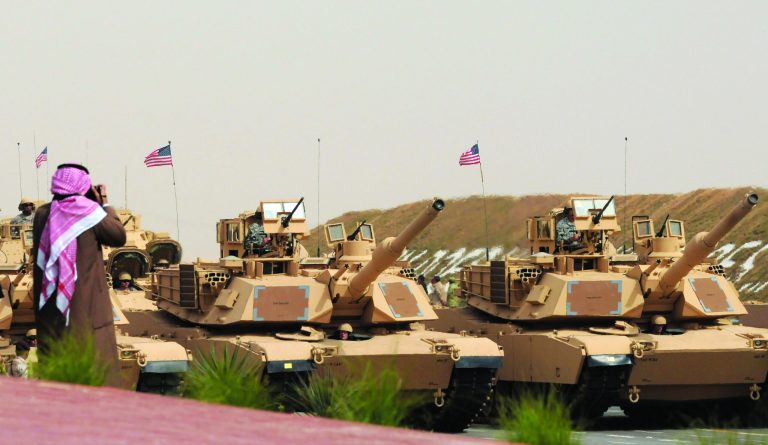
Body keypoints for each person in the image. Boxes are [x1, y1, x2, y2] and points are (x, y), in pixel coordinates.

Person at [33, 163, 127, 387]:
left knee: (56, 378)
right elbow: (118, 235)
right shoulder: (91, 213)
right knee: (93, 376)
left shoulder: (42, 215)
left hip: (51, 314)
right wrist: (104, 203)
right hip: (88, 315)